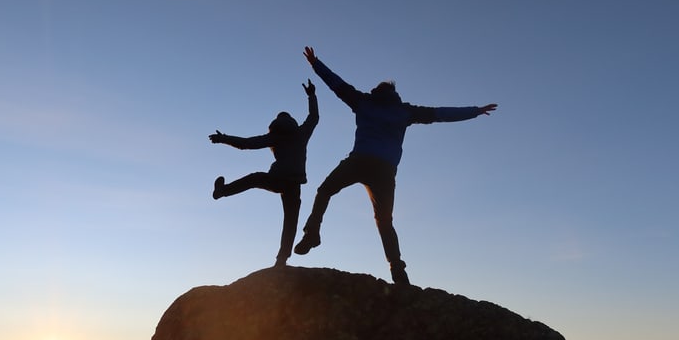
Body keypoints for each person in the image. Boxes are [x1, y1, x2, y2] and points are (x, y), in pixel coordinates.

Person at [293, 46, 497, 285]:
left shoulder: (363, 102)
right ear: (394, 94)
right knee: (384, 221)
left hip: (359, 161)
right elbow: (441, 114)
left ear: (377, 91)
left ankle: (312, 233)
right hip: (384, 170)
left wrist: (315, 64)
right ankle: (397, 269)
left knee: (325, 190)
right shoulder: (404, 111)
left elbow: (336, 84)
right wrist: (475, 111)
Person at [209, 79, 319, 267]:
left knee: (254, 179)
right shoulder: (301, 133)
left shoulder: (274, 137)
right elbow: (313, 117)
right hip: (294, 183)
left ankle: (223, 191)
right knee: (291, 220)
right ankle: (282, 259)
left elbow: (246, 144)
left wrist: (223, 138)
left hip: (276, 179)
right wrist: (311, 96)